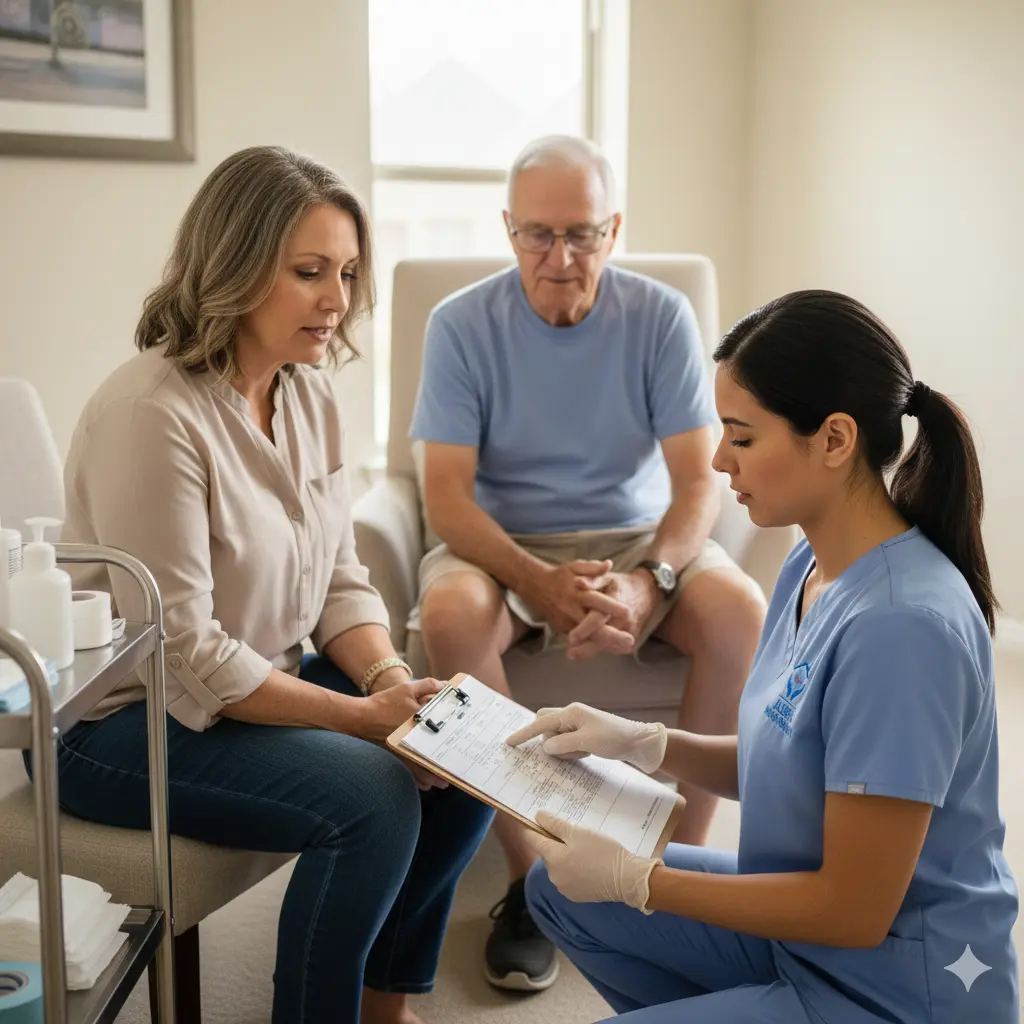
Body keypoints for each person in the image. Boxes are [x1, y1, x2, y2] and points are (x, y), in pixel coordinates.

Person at [47, 146, 493, 1024]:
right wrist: (365, 723)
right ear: (238, 264)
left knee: (461, 749)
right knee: (374, 795)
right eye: (310, 272)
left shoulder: (308, 395)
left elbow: (339, 577)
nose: (338, 300)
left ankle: (383, 1009)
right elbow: (186, 651)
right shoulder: (153, 413)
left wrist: (390, 683)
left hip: (250, 682)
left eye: (348, 272)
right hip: (119, 724)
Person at [509, 289, 1019, 1023]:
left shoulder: (904, 630)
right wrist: (644, 744)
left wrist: (640, 880)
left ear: (835, 440)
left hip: (897, 988)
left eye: (742, 438)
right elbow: (799, 764)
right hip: (801, 942)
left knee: (608, 891)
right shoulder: (811, 566)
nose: (717, 460)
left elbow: (852, 910)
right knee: (555, 887)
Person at [407, 134, 767, 991]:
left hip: (637, 541)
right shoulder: (460, 323)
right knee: (452, 615)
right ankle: (532, 878)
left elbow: (694, 486)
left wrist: (651, 582)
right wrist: (535, 582)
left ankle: (673, 867)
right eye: (538, 234)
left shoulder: (661, 316)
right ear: (507, 229)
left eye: (582, 234)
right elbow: (447, 499)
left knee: (741, 610)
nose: (560, 258)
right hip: (503, 548)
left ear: (614, 230)